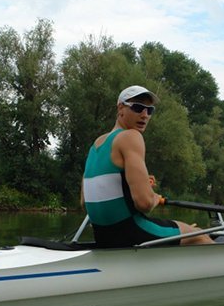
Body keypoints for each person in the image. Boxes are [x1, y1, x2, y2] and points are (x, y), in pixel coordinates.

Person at [82, 85, 213, 248]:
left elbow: (84, 202)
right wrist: (154, 197)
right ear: (120, 108)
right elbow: (144, 203)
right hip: (132, 232)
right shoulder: (131, 136)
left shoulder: (96, 145)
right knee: (200, 235)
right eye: (138, 108)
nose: (144, 115)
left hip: (103, 235)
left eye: (149, 110)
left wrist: (139, 186)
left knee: (186, 229)